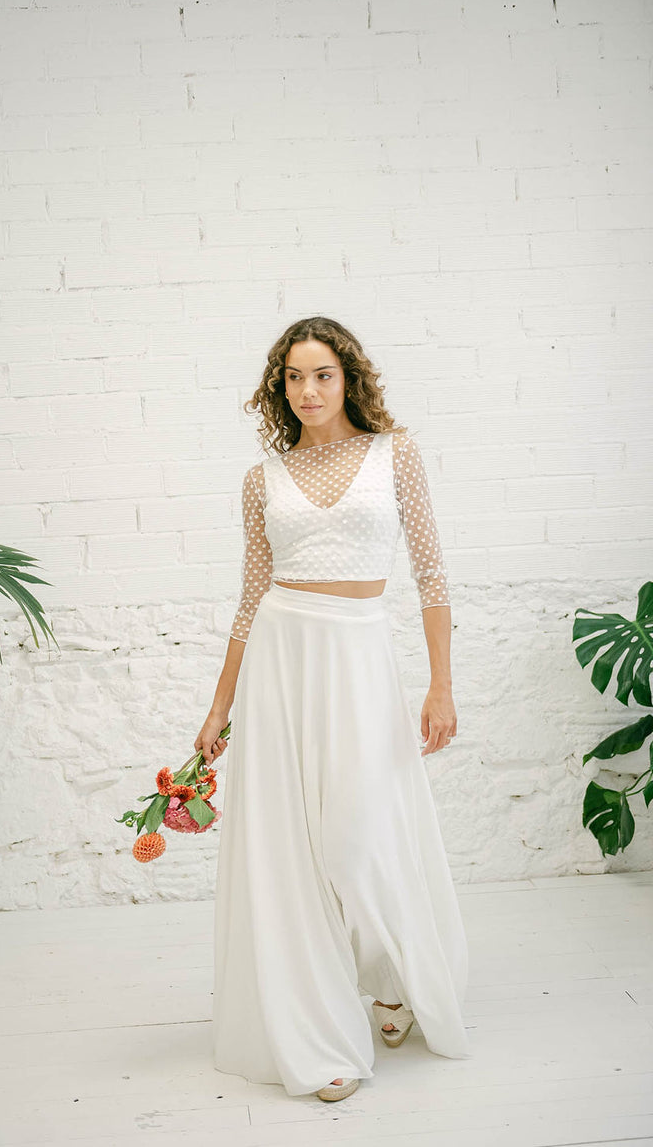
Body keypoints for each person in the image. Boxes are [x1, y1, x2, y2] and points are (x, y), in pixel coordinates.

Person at [194, 316, 471, 1102]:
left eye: (321, 374)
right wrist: (219, 707)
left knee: (358, 841)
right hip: (282, 659)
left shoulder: (396, 456)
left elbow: (434, 578)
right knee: (293, 856)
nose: (307, 390)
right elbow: (250, 598)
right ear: (278, 388)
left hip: (358, 660)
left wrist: (441, 685)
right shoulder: (263, 479)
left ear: (348, 378)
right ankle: (321, 1035)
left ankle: (389, 979)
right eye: (292, 377)